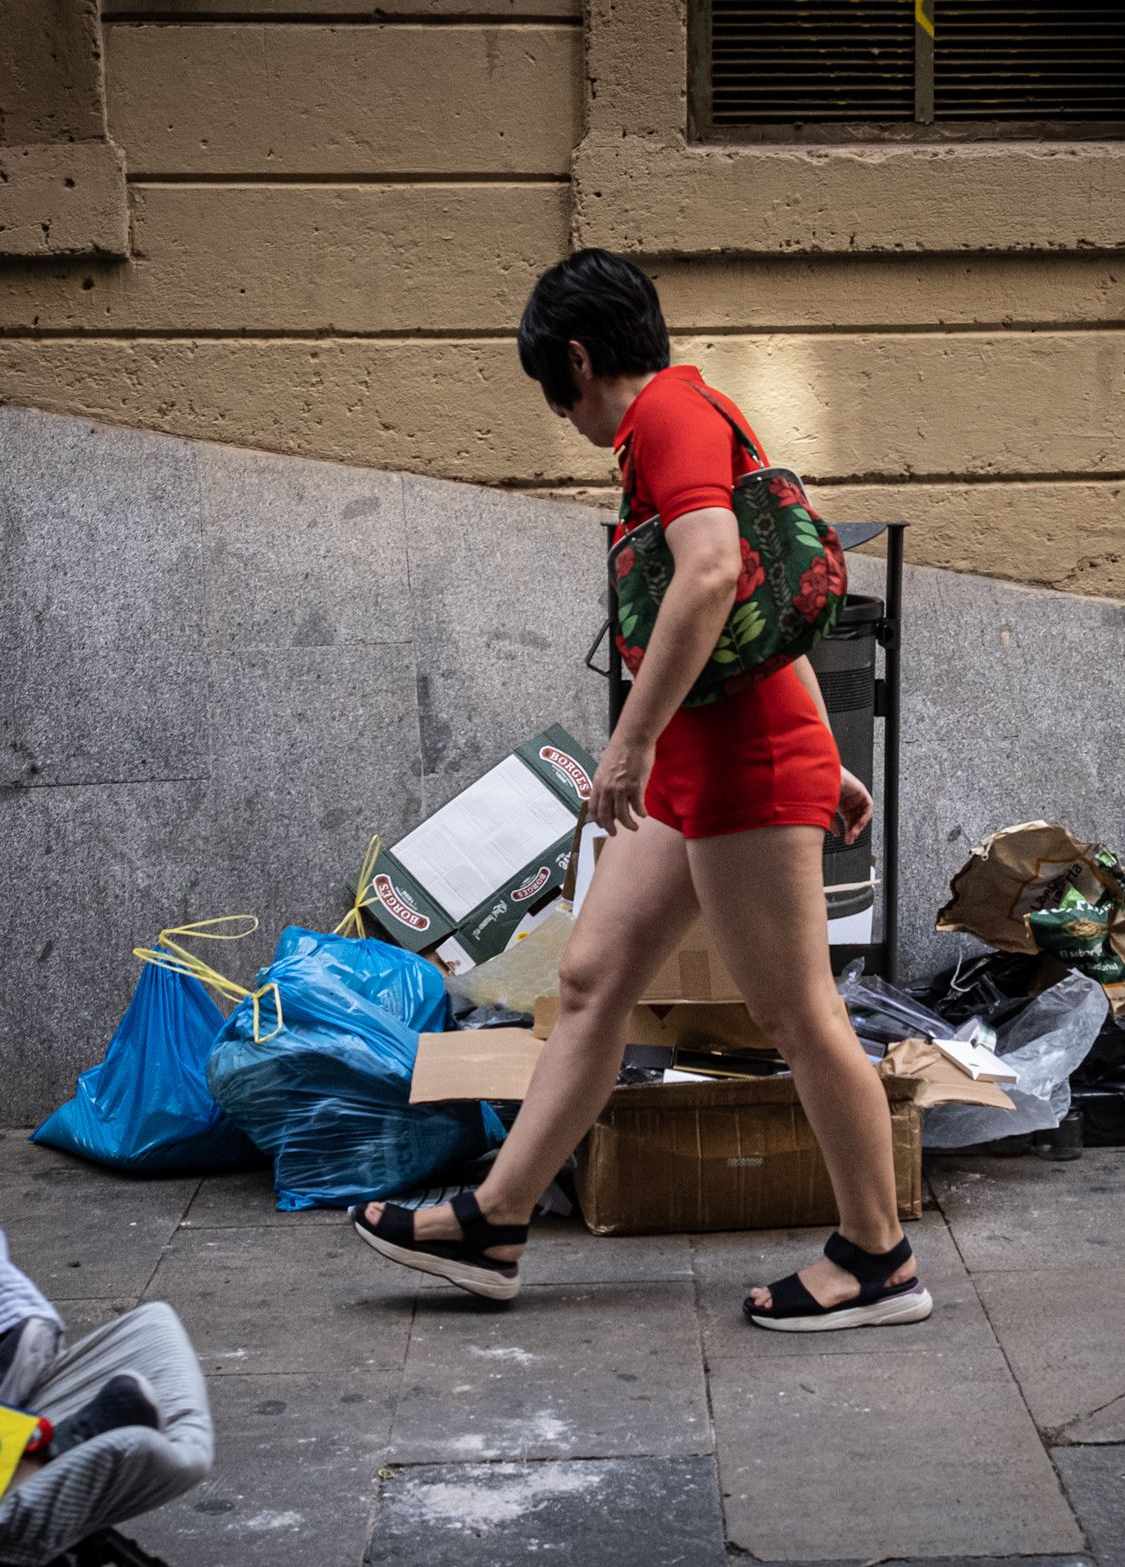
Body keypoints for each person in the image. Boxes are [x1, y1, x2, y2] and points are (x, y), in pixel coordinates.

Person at [350, 249, 928, 1332]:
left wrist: (629, 742)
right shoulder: (689, 415)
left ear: (575, 357)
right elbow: (761, 601)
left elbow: (711, 571)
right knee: (593, 971)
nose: (558, 413)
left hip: (735, 769)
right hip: (714, 763)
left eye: (549, 387)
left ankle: (879, 1256)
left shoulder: (665, 416)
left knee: (795, 1013)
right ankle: (495, 1221)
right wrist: (816, 744)